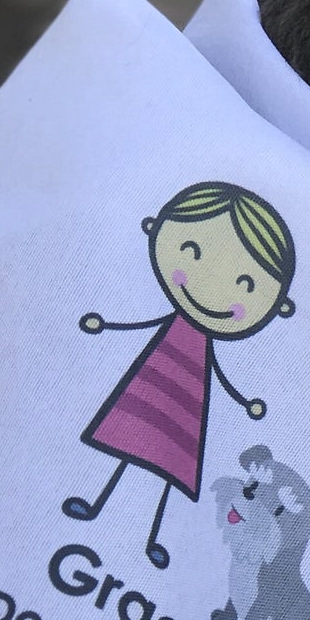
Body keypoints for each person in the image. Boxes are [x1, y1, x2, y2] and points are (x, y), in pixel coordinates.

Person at [64, 179, 296, 567]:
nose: (213, 290)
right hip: (155, 380)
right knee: (127, 444)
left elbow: (219, 373)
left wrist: (245, 401)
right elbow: (144, 325)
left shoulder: (204, 344)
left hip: (188, 394)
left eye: (246, 284)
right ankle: (97, 505)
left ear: (278, 305)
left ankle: (151, 537)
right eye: (192, 251)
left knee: (167, 465)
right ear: (156, 229)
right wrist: (106, 325)